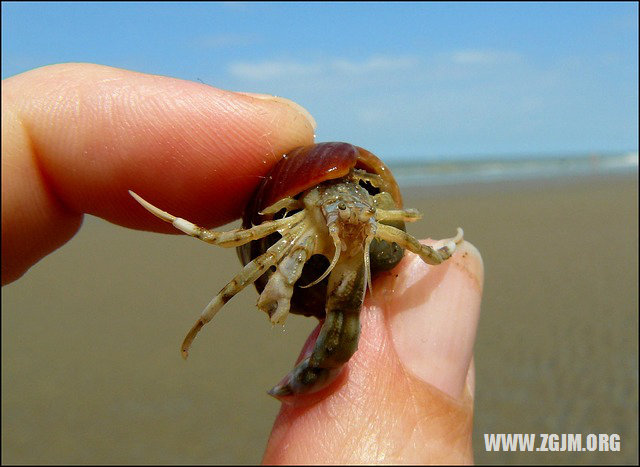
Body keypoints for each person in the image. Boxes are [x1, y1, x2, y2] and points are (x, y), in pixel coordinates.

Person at [2, 63, 483, 464]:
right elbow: (219, 236)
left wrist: (435, 248)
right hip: (301, 227)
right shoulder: (296, 218)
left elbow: (408, 240)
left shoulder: (369, 209)